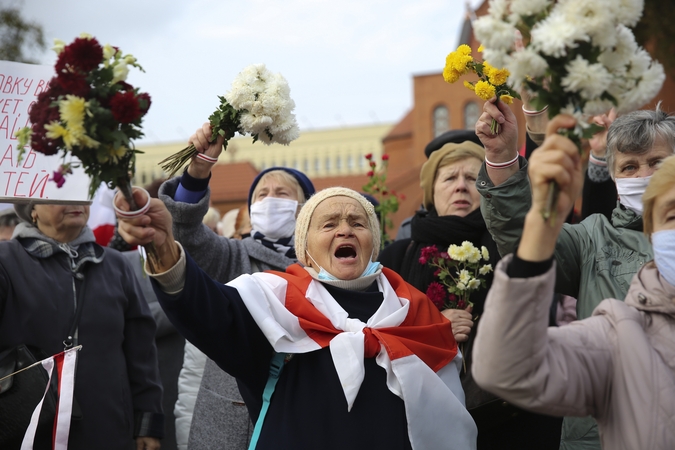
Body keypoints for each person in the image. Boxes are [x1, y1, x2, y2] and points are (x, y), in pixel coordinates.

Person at [116, 185, 477, 450]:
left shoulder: (420, 316)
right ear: (304, 249)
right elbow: (206, 310)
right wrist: (163, 248)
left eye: (357, 222)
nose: (345, 230)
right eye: (329, 223)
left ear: (374, 243)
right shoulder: (271, 303)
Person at [475, 100, 675, 449]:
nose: (644, 175)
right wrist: (503, 157)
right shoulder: (592, 238)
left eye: (657, 162)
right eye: (629, 167)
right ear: (613, 177)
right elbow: (525, 234)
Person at [378, 141, 561, 449]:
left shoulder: (511, 245)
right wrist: (433, 329)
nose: (461, 187)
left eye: (473, 178)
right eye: (449, 178)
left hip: (510, 416)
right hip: (422, 418)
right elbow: (375, 333)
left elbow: (538, 313)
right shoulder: (397, 256)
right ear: (431, 192)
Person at [159, 122, 316, 449]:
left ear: (305, 210)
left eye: (282, 194)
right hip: (231, 424)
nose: (270, 201)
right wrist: (198, 172)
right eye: (262, 195)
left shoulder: (323, 270)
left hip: (303, 411)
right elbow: (186, 234)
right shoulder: (233, 255)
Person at [0, 201, 163, 449]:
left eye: (79, 193)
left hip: (108, 429)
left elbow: (141, 352)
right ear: (32, 209)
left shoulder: (117, 265)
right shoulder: (5, 262)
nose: (74, 202)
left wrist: (147, 423)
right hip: (28, 432)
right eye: (59, 195)